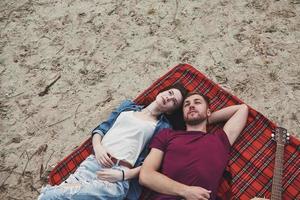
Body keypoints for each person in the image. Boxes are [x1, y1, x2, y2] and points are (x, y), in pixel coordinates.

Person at [38, 83, 188, 200]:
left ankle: (48, 194)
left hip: (118, 173)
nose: (169, 98)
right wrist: (97, 147)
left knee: (115, 192)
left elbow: (152, 163)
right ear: (162, 91)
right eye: (169, 93)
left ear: (170, 111)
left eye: (173, 102)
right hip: (93, 163)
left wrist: (123, 176)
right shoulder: (128, 107)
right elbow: (102, 129)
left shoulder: (163, 128)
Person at [139, 92, 249, 200]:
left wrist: (205, 119)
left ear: (208, 111)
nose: (191, 106)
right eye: (186, 104)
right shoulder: (167, 135)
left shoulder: (220, 139)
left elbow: (242, 109)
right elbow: (146, 175)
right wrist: (186, 191)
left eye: (197, 102)